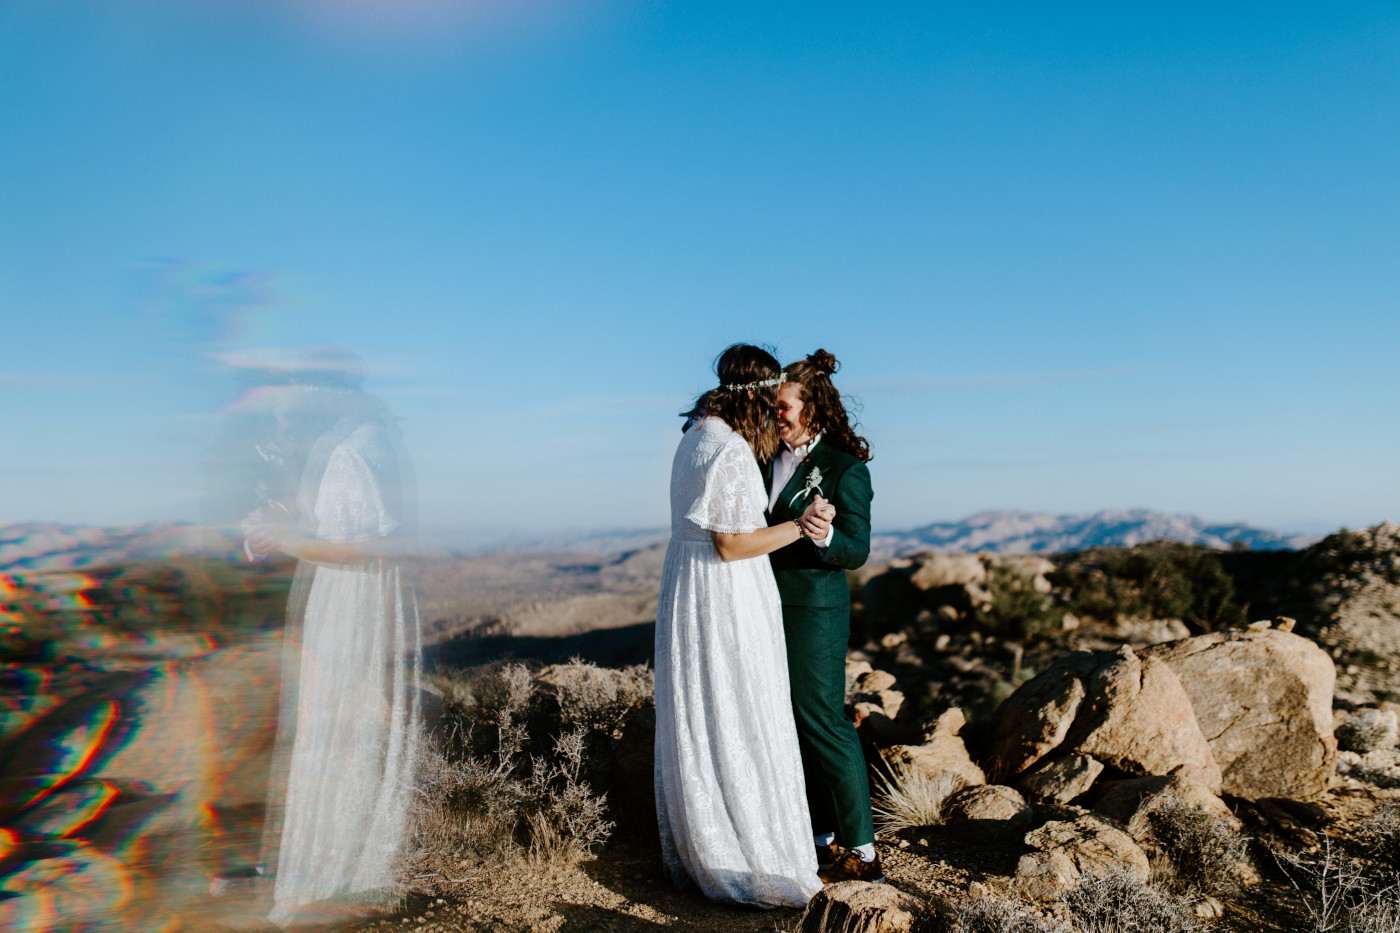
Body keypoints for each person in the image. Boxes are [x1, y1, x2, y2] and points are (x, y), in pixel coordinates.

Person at [239, 354, 421, 925]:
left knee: (338, 723)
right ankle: (336, 866)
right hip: (354, 597)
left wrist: (284, 541)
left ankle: (337, 869)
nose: (289, 421)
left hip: (352, 601)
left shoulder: (352, 450)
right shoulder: (369, 439)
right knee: (340, 721)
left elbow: (368, 546)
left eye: (296, 408)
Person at [654, 344, 831, 908]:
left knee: (710, 707)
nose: (774, 415)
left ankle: (707, 838)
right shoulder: (728, 450)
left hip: (691, 588)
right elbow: (731, 546)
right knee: (741, 706)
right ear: (755, 394)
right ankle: (754, 851)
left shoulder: (695, 436)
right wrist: (800, 527)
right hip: (724, 595)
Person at [762, 349, 881, 884]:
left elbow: (857, 549)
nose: (774, 411)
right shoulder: (760, 457)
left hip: (814, 610)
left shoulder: (842, 468)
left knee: (823, 722)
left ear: (811, 408)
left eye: (783, 404)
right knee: (785, 723)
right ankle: (817, 835)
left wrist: (826, 535)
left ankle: (862, 850)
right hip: (760, 605)